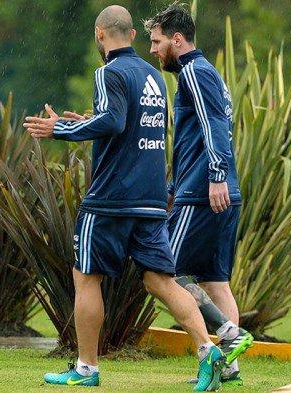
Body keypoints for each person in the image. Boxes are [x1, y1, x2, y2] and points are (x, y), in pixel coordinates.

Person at [24, 5, 225, 391]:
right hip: (150, 199)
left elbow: (114, 121)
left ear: (100, 35)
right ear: (132, 35)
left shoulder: (107, 72)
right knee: (161, 281)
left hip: (110, 199)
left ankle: (86, 368)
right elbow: (131, 126)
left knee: (86, 277)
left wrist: (60, 130)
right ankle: (208, 350)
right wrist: (82, 122)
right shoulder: (155, 76)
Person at [144, 2, 254, 386]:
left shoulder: (193, 71)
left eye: (157, 42)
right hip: (217, 191)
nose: (153, 51)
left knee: (161, 273)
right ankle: (229, 367)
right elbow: (201, 133)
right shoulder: (206, 73)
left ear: (178, 40)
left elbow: (214, 126)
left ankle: (229, 335)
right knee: (214, 280)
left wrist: (216, 176)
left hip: (205, 192)